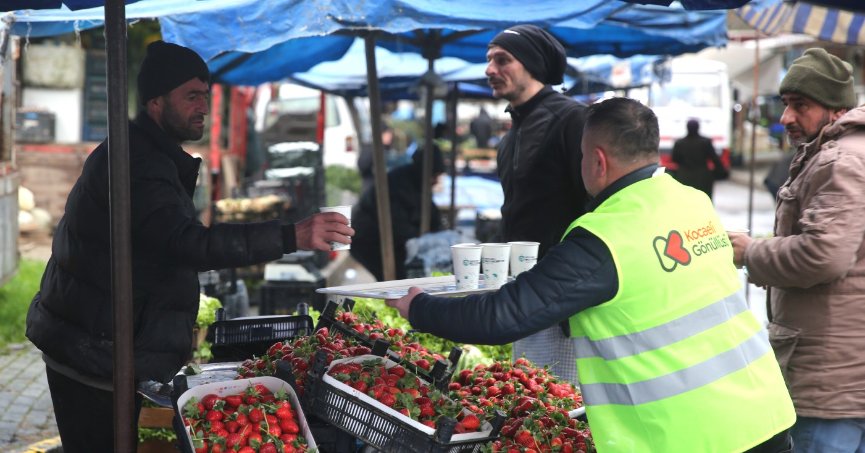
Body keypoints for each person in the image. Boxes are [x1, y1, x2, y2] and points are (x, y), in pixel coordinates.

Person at [387, 97, 795, 453]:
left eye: (581, 156)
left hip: (691, 438)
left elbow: (503, 316)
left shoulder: (605, 237)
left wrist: (418, 307)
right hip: (764, 416)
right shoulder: (692, 201)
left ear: (597, 160)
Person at [24, 41, 353, 453]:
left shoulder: (149, 154)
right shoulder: (137, 163)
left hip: (100, 345)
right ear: (156, 102)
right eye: (192, 96)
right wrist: (292, 235)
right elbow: (187, 243)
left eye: (206, 95)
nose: (204, 106)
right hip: (92, 351)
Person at [730, 48, 865, 452]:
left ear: (836, 109)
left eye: (800, 106)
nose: (786, 118)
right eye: (786, 104)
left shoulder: (839, 162)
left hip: (830, 381)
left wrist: (751, 252)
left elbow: (823, 254)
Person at [485, 24, 588, 383]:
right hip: (525, 292)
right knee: (536, 402)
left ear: (532, 64)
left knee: (566, 409)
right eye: (489, 60)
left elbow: (596, 207)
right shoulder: (513, 132)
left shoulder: (572, 120)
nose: (490, 70)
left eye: (502, 59)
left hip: (565, 301)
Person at [350, 144, 445, 281]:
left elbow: (432, 215)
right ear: (424, 171)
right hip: (369, 240)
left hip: (391, 241)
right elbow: (399, 227)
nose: (436, 181)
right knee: (397, 280)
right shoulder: (399, 185)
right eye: (434, 175)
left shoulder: (418, 183)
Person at [671, 118, 726, 198]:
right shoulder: (706, 142)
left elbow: (674, 159)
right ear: (698, 128)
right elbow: (715, 159)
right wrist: (721, 172)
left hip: (683, 177)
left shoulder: (679, 143)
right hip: (703, 178)